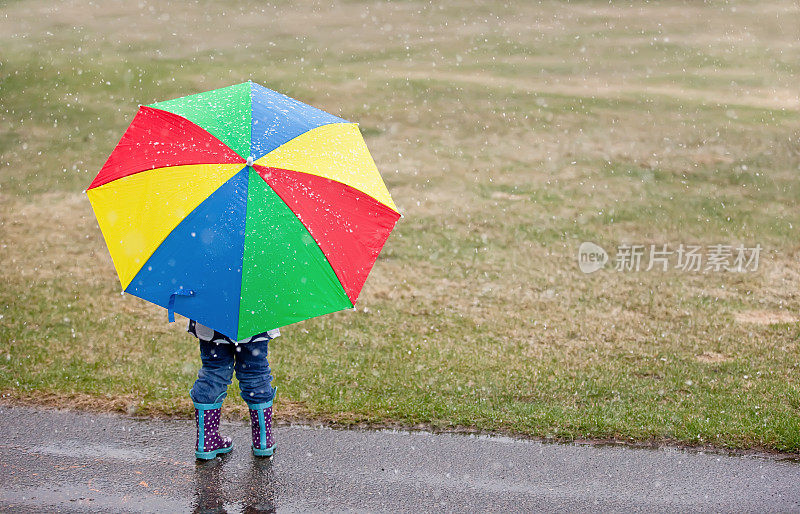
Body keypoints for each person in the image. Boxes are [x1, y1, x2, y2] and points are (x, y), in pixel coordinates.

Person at [188, 319, 280, 460]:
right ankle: (263, 440)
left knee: (213, 372)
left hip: (211, 319)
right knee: (255, 373)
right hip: (252, 319)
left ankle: (207, 441)